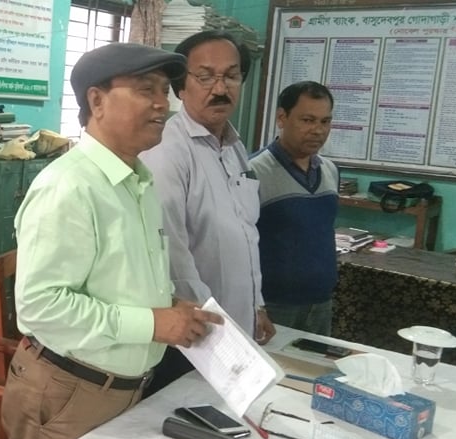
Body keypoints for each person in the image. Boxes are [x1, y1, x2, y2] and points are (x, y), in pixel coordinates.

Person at [0, 43, 224, 439]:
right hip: (69, 392)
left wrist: (170, 307)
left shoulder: (139, 181)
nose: (163, 104)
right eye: (145, 89)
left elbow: (118, 279)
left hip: (126, 390)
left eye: (165, 91)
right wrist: (152, 323)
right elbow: (40, 307)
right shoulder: (69, 186)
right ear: (97, 101)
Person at [140, 30, 276, 397]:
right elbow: (170, 249)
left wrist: (256, 304)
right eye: (205, 77)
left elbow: (246, 232)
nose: (220, 88)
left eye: (231, 76)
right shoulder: (167, 149)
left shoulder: (234, 146)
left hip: (235, 328)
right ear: (181, 88)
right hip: (196, 334)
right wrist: (209, 326)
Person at [249, 81, 338, 336]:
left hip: (320, 302)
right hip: (274, 305)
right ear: (282, 118)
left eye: (325, 121)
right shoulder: (253, 172)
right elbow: (240, 245)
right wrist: (255, 305)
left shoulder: (330, 171)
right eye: (307, 120)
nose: (318, 130)